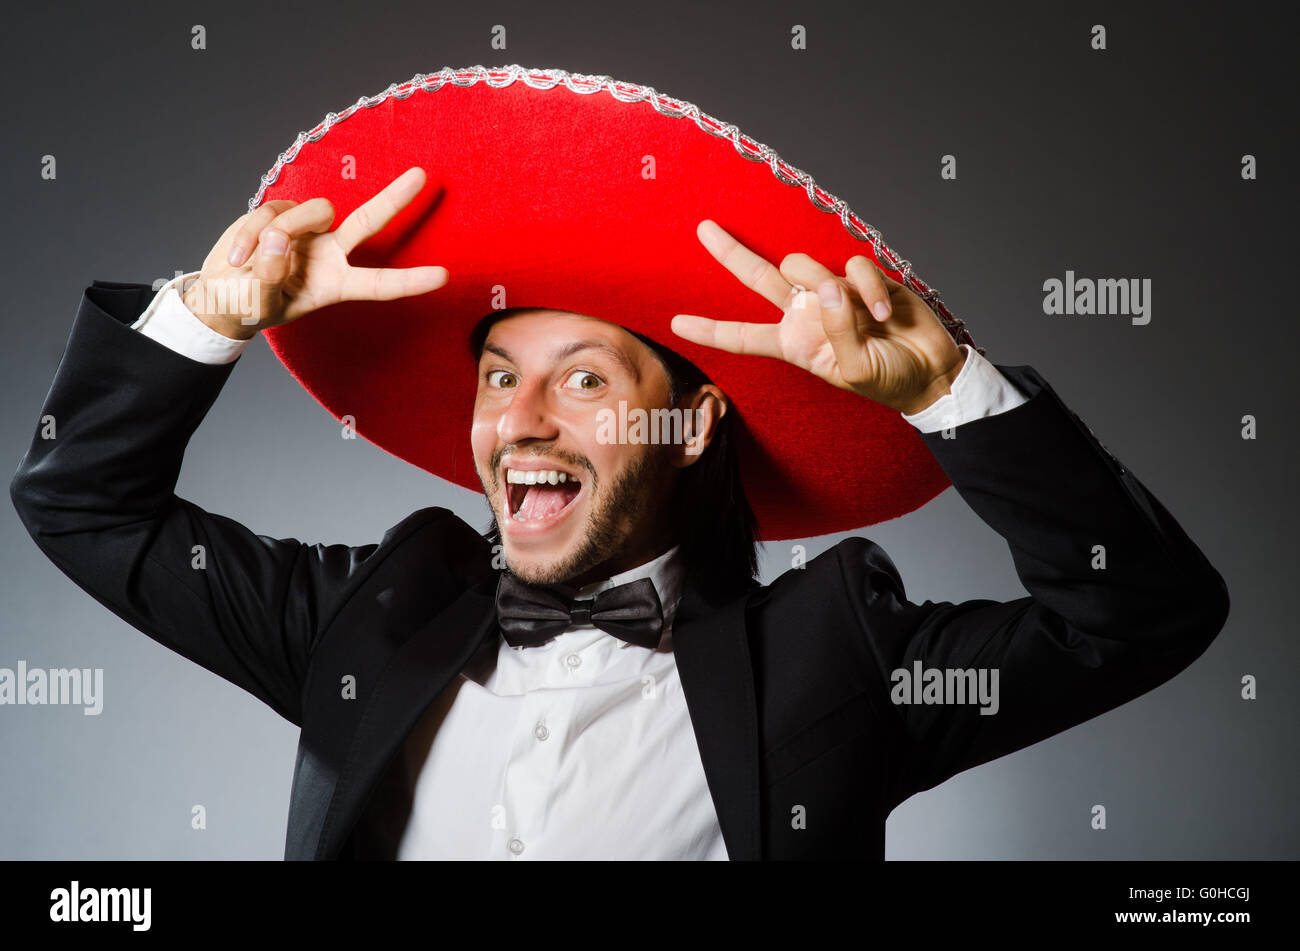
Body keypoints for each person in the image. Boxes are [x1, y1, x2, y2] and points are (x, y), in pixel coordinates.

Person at [9, 166, 1229, 860]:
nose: (523, 417)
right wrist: (205, 320)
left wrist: (955, 398)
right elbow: (84, 504)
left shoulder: (833, 660)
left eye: (585, 380)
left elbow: (1142, 616)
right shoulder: (364, 620)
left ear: (690, 426)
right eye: (501, 377)